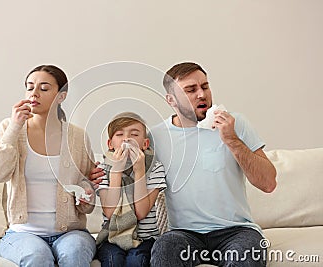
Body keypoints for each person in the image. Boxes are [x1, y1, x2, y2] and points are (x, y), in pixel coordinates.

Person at [147, 62, 277, 266]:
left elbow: (268, 183)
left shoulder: (235, 123)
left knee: (248, 254)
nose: (201, 94)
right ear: (171, 100)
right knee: (165, 249)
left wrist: (232, 140)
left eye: (205, 86)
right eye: (191, 90)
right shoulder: (156, 137)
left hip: (237, 231)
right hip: (184, 234)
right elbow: (131, 181)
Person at [0, 65, 96, 267]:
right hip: (22, 234)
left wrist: (86, 192)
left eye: (44, 88)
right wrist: (15, 126)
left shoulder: (77, 137)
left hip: (71, 232)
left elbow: (87, 188)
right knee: (38, 257)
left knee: (74, 255)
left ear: (61, 96)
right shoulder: (9, 129)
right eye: (29, 87)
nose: (34, 94)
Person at [95, 112, 166, 267]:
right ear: (110, 144)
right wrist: (116, 172)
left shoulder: (155, 168)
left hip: (145, 238)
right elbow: (109, 211)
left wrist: (140, 171)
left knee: (137, 261)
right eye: (120, 134)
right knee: (113, 260)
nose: (126, 139)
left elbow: (141, 212)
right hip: (112, 237)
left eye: (134, 134)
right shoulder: (103, 167)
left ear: (145, 144)